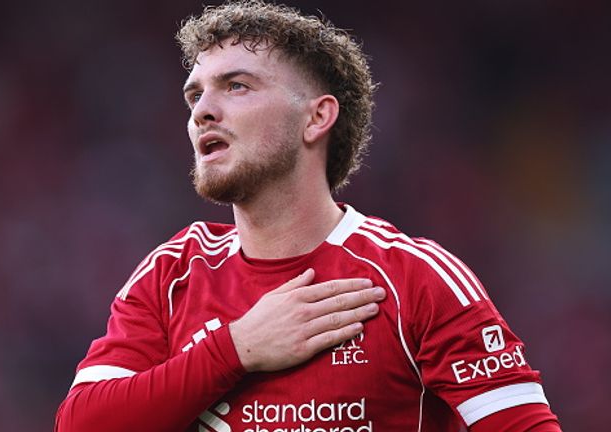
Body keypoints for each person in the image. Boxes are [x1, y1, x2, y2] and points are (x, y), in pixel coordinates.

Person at [55, 1, 561, 430]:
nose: (201, 111)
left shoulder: (414, 279)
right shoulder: (171, 272)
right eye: (195, 94)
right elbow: (81, 422)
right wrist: (235, 350)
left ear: (317, 117)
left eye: (236, 86)